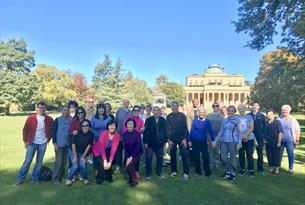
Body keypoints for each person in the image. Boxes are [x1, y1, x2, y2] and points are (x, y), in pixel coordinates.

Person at [14, 102, 54, 186]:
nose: (42, 109)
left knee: (39, 163)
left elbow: (53, 130)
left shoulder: (49, 119)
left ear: (45, 109)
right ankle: (20, 179)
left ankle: (34, 179)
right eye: (40, 108)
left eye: (43, 108)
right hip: (32, 143)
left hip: (42, 144)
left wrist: (48, 139)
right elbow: (25, 130)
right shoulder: (31, 118)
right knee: (27, 161)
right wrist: (25, 141)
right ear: (37, 108)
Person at [215, 105, 242, 181]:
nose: (230, 112)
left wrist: (239, 143)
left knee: (233, 158)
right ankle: (227, 172)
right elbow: (221, 131)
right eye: (229, 110)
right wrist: (216, 140)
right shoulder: (225, 120)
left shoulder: (238, 120)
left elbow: (240, 132)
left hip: (233, 142)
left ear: (234, 111)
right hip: (224, 142)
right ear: (227, 111)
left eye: (232, 111)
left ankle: (232, 174)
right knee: (223, 158)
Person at [188, 107, 215, 177]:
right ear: (198, 113)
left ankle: (208, 173)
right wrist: (189, 140)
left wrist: (212, 140)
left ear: (205, 114)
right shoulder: (195, 120)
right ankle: (198, 172)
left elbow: (211, 131)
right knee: (196, 157)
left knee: (205, 157)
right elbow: (191, 131)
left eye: (203, 113)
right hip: (195, 142)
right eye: (200, 112)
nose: (201, 114)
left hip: (203, 142)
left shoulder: (207, 121)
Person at [66, 120, 94, 186]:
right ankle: (69, 179)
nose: (85, 127)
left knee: (83, 165)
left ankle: (85, 179)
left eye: (87, 125)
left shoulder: (91, 134)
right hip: (73, 151)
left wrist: (83, 157)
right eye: (83, 126)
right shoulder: (77, 133)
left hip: (82, 153)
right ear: (81, 127)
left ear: (89, 126)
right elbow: (73, 145)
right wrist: (75, 157)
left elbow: (89, 146)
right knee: (75, 165)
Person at [166, 100, 190, 180]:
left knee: (184, 155)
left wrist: (185, 138)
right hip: (172, 139)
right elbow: (167, 129)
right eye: (173, 106)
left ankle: (186, 172)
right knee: (172, 155)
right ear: (171, 107)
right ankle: (173, 171)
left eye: (176, 106)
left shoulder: (182, 115)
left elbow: (185, 128)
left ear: (178, 106)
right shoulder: (168, 116)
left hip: (181, 139)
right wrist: (168, 139)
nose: (174, 107)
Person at [143, 106, 168, 179]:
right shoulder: (148, 120)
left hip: (160, 143)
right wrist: (145, 142)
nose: (156, 112)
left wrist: (165, 141)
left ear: (160, 111)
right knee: (149, 158)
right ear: (152, 112)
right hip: (150, 143)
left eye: (158, 110)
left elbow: (165, 131)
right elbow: (145, 132)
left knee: (160, 159)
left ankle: (159, 172)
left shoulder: (163, 120)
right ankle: (148, 173)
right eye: (155, 110)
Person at [92, 120, 120, 184]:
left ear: (116, 127)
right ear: (107, 127)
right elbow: (101, 148)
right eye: (110, 126)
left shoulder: (117, 135)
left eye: (113, 126)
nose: (112, 127)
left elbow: (114, 149)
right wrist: (104, 160)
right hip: (97, 150)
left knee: (108, 164)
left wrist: (110, 161)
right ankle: (99, 178)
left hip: (107, 150)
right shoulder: (104, 133)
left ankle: (108, 177)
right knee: (102, 164)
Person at [52, 106, 72, 184]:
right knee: (59, 161)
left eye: (67, 111)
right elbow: (54, 132)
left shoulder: (71, 120)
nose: (65, 112)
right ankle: (55, 179)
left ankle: (61, 176)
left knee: (64, 161)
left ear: (69, 111)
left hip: (67, 144)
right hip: (59, 144)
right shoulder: (57, 120)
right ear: (61, 111)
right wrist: (55, 143)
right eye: (64, 110)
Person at [278, 104, 300, 174]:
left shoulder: (293, 119)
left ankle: (290, 168)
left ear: (289, 111)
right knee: (279, 154)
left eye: (286, 112)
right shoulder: (279, 118)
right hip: (280, 140)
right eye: (283, 111)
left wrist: (297, 140)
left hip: (289, 140)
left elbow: (297, 130)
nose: (284, 113)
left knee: (290, 154)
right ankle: (278, 166)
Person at [123, 118, 143, 187]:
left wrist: (131, 157)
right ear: (126, 125)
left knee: (130, 165)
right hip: (129, 153)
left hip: (137, 152)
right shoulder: (125, 134)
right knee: (126, 165)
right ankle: (130, 178)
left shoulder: (137, 134)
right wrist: (128, 157)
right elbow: (125, 147)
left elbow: (138, 147)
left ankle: (135, 180)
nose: (130, 125)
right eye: (128, 124)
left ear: (134, 125)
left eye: (131, 124)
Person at [247, 102, 266, 175]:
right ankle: (250, 168)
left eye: (256, 105)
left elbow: (265, 126)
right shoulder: (248, 115)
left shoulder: (261, 116)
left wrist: (263, 135)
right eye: (254, 105)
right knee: (249, 153)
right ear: (251, 106)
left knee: (260, 154)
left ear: (259, 107)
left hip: (259, 137)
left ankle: (260, 169)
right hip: (250, 137)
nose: (255, 107)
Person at [238, 103, 255, 177]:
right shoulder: (237, 117)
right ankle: (242, 169)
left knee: (249, 154)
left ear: (245, 109)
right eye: (239, 108)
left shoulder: (249, 117)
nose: (241, 110)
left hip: (249, 138)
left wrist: (246, 134)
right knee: (241, 154)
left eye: (242, 108)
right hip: (240, 139)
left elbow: (252, 127)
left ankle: (251, 170)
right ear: (238, 110)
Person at [265, 109, 283, 175]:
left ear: (273, 114)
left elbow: (280, 132)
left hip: (276, 142)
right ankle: (271, 167)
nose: (269, 115)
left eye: (271, 114)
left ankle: (277, 168)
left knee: (276, 156)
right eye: (268, 114)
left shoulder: (277, 122)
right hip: (267, 142)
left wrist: (279, 142)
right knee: (269, 155)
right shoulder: (266, 122)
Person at [115, 99, 133, 169]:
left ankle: (126, 163)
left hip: (128, 135)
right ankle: (118, 164)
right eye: (124, 102)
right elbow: (116, 121)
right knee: (119, 150)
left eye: (127, 102)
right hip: (119, 134)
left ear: (129, 103)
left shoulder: (130, 112)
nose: (125, 103)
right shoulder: (119, 111)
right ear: (122, 103)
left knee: (127, 150)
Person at [206, 102, 224, 169]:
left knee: (216, 150)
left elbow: (223, 127)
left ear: (219, 107)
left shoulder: (222, 116)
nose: (215, 107)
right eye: (214, 106)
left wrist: (220, 137)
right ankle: (211, 163)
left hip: (218, 136)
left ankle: (216, 163)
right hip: (210, 136)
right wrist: (208, 137)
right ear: (212, 107)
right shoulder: (208, 116)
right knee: (210, 150)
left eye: (217, 106)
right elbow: (206, 127)